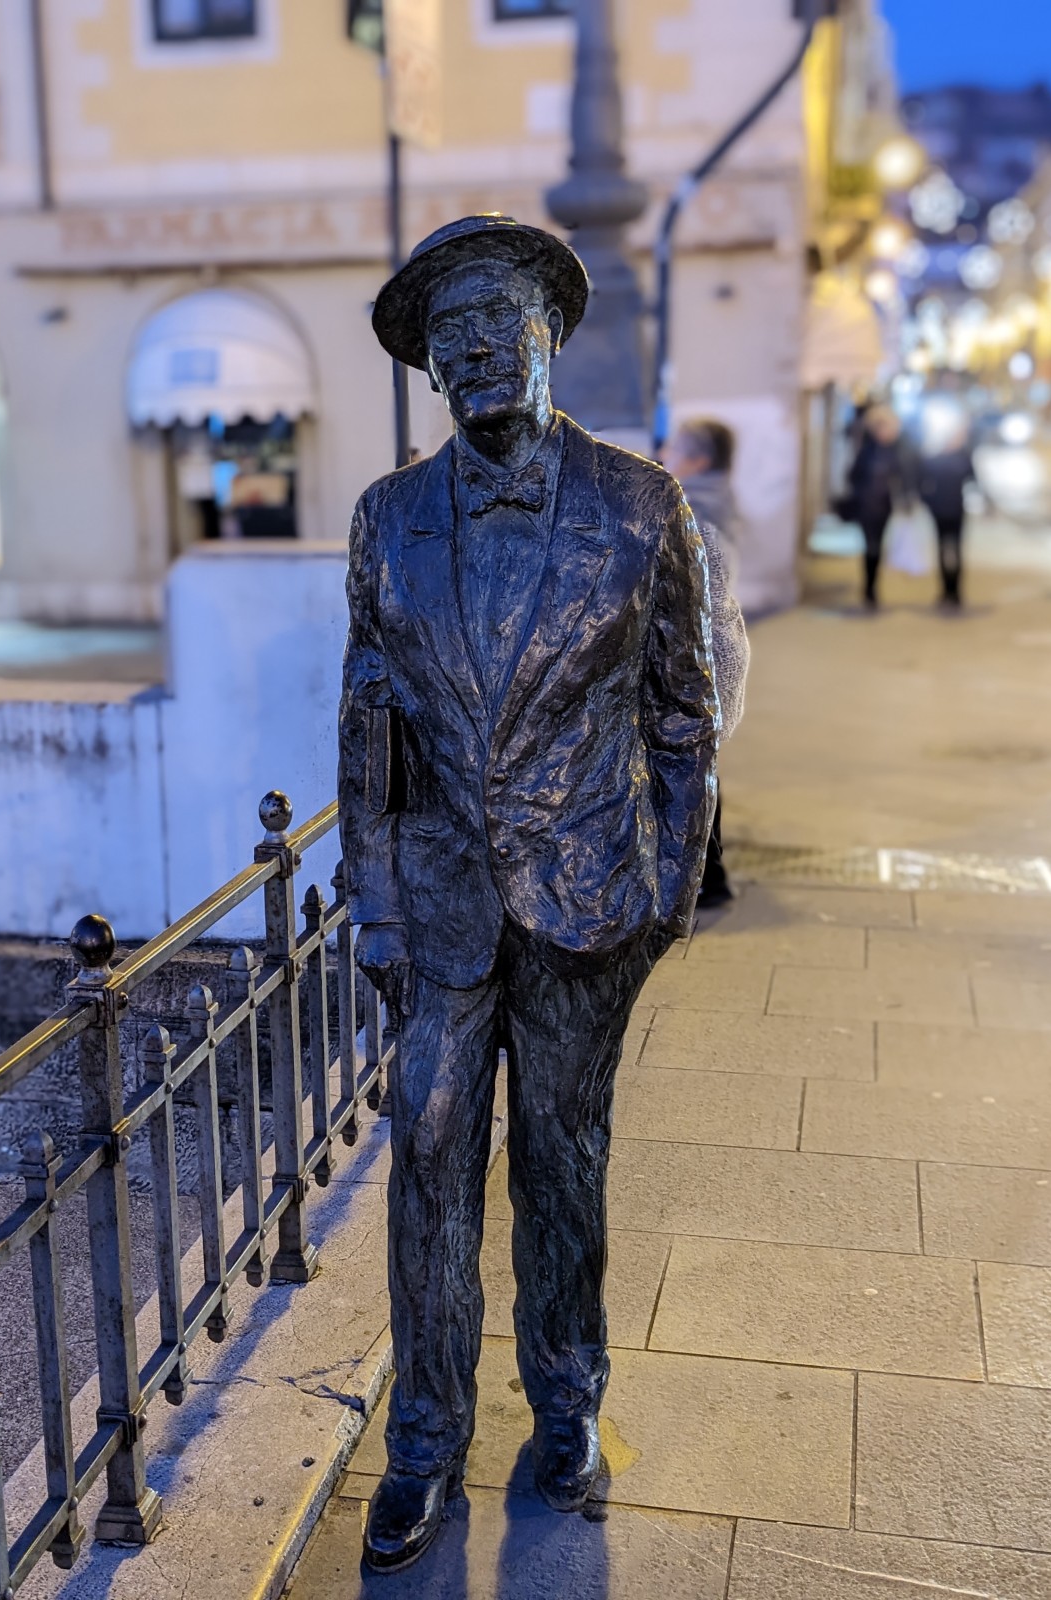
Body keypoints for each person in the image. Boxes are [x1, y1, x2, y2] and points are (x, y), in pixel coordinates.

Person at [339, 214, 719, 1571]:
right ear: (430, 368)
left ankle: (568, 1405)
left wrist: (663, 897)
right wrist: (374, 901)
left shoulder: (640, 504)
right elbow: (368, 729)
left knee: (565, 1171)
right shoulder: (386, 517)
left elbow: (684, 717)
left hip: (584, 906)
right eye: (451, 332)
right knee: (429, 1163)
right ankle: (425, 1442)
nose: (478, 346)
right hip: (439, 918)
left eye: (500, 318)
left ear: (552, 332)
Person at [667, 419, 750, 908]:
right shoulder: (712, 496)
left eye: (674, 447)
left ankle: (708, 876)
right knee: (699, 765)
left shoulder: (695, 509)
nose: (664, 452)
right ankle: (707, 874)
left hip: (702, 656)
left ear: (697, 460)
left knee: (692, 768)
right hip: (714, 651)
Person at [845, 404, 912, 610]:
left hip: (885, 506)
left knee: (878, 547)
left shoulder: (897, 450)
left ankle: (873, 587)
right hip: (867, 506)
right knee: (870, 546)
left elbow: (905, 475)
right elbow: (852, 475)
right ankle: (869, 589)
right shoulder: (866, 450)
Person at [916, 417, 974, 607]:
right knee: (948, 549)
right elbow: (921, 485)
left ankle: (952, 591)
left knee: (949, 550)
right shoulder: (950, 459)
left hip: (949, 509)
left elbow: (972, 481)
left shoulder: (946, 458)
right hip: (947, 510)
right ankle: (950, 591)